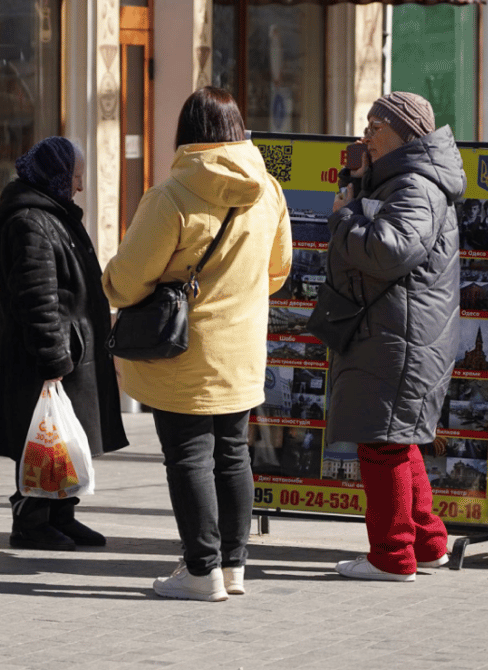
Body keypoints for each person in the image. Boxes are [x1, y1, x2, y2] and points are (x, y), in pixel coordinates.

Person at [103, 87, 292, 601]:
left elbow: (126, 281)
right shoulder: (269, 189)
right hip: (242, 349)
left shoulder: (171, 196)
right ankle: (233, 567)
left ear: (186, 134)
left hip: (181, 351)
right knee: (233, 455)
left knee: (188, 456)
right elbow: (278, 272)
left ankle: (200, 569)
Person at [325, 91, 465, 582]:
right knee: (397, 441)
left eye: (374, 127)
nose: (365, 135)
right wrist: (360, 188)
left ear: (404, 133)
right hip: (396, 331)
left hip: (399, 337)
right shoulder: (402, 181)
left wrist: (344, 215)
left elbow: (389, 250)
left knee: (381, 445)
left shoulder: (414, 186)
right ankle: (427, 544)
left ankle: (392, 555)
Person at [0, 137, 128, 550]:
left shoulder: (54, 214)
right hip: (44, 358)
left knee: (63, 438)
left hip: (71, 350)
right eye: (76, 178)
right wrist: (53, 359)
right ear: (57, 178)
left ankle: (62, 514)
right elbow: (38, 299)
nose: (80, 187)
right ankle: (31, 521)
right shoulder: (30, 222)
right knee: (41, 440)